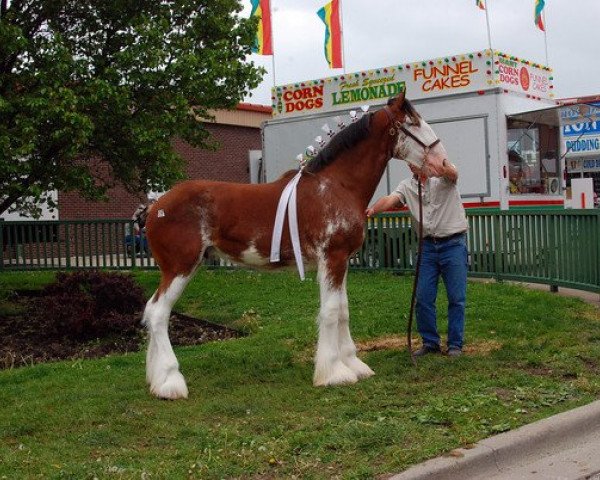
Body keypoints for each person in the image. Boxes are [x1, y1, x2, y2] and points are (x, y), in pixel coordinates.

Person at [365, 160, 468, 357]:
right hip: (427, 246)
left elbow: (453, 173)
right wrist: (373, 210)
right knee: (423, 297)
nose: (411, 166)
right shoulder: (407, 186)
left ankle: (455, 344)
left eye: (415, 162)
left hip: (453, 244)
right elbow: (391, 199)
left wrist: (442, 166)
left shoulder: (443, 178)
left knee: (457, 298)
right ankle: (430, 343)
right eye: (409, 163)